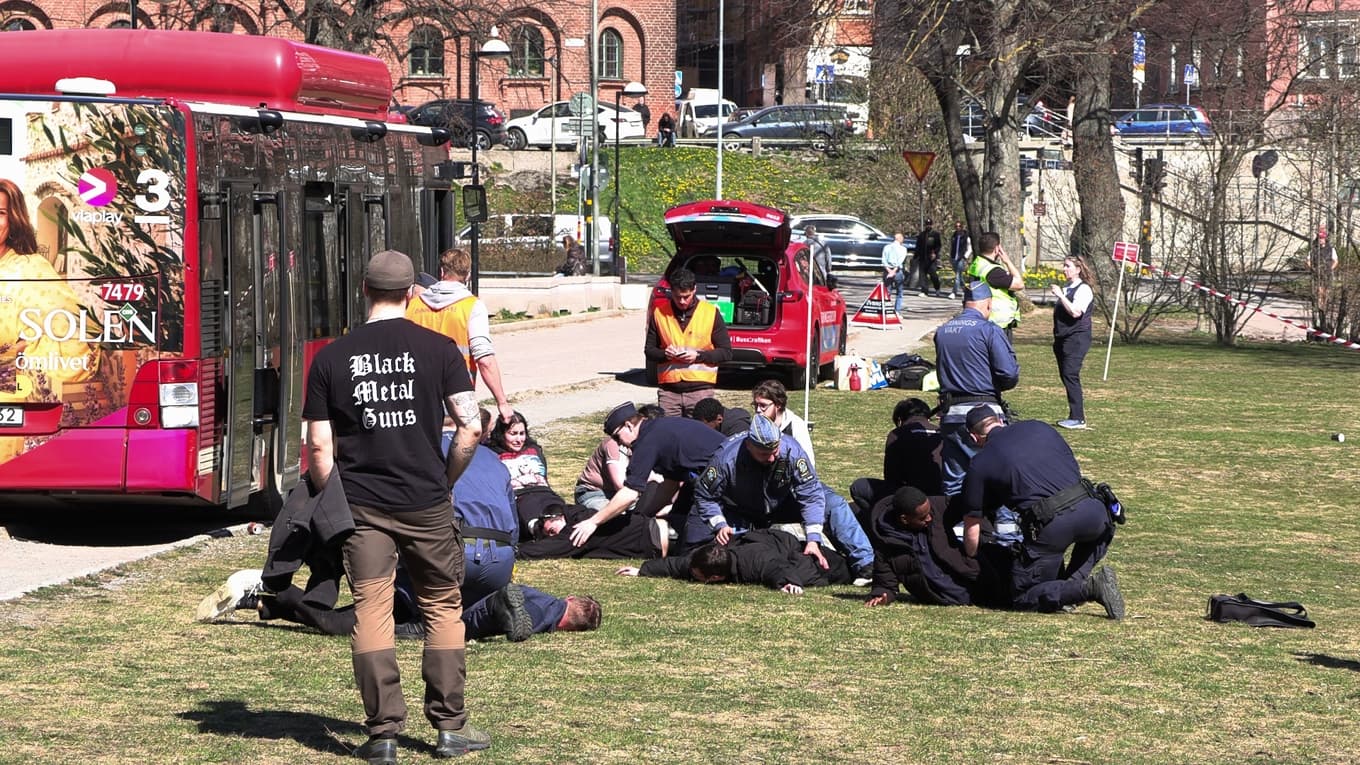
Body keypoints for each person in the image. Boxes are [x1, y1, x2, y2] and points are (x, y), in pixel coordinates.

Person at [301, 248, 489, 761]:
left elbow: (319, 448)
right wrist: (446, 479)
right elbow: (471, 426)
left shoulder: (331, 358)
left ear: (363, 290)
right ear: (412, 294)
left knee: (372, 609)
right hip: (427, 500)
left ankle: (383, 734)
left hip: (362, 506)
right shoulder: (442, 349)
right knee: (442, 605)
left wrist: (329, 497)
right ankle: (450, 728)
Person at [959, 408, 1125, 619]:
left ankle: (1089, 589)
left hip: (1052, 526)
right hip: (1095, 511)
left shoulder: (981, 462)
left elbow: (972, 526)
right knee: (1096, 537)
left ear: (974, 437)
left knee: (1023, 596)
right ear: (1001, 420)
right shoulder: (1040, 426)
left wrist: (970, 557)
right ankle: (1069, 592)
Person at [749, 380, 876, 577]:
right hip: (762, 491)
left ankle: (865, 562)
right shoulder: (754, 427)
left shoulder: (796, 427)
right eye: (755, 405)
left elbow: (808, 475)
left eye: (763, 406)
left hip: (794, 489)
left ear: (779, 405)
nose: (758, 410)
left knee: (835, 503)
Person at [567, 402, 727, 549]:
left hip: (725, 480)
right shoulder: (659, 429)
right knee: (677, 520)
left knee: (690, 545)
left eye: (617, 436)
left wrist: (593, 522)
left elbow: (629, 493)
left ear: (629, 425)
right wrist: (641, 518)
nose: (619, 443)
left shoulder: (646, 441)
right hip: (708, 478)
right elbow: (669, 485)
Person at [405, 247, 515, 425]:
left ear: (441, 272)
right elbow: (485, 359)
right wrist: (502, 402)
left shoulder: (413, 305)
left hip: (416, 391)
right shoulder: (472, 306)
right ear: (468, 275)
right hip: (456, 390)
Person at [933, 281, 1019, 501]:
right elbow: (1008, 373)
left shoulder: (943, 331)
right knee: (995, 476)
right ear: (988, 305)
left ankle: (955, 530)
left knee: (954, 481)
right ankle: (999, 534)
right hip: (985, 414)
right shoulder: (989, 330)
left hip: (951, 414)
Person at [863, 487, 1009, 608]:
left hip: (975, 584)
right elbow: (885, 582)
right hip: (941, 597)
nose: (929, 518)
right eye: (922, 517)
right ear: (904, 519)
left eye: (929, 512)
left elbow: (969, 502)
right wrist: (881, 595)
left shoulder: (937, 508)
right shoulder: (887, 543)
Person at [617, 528, 852, 595]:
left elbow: (777, 568)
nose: (693, 577)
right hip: (769, 541)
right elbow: (677, 565)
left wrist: (789, 584)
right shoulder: (705, 558)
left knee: (829, 570)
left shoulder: (753, 562)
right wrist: (642, 570)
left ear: (716, 578)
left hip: (791, 544)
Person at [645, 267, 733, 417]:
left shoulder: (710, 313)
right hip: (669, 393)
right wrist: (665, 354)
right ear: (671, 291)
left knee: (698, 437)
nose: (682, 301)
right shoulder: (659, 314)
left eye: (686, 296)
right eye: (677, 296)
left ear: (694, 290)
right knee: (669, 437)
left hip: (700, 391)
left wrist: (698, 356)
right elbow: (649, 351)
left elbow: (726, 353)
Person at [848, 397, 942, 518]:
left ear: (899, 419)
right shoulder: (942, 432)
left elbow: (891, 477)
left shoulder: (897, 434)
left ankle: (883, 520)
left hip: (913, 497)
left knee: (859, 486)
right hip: (941, 494)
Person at [1050, 256, 1095, 430]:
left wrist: (1061, 296)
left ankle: (1078, 418)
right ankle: (1073, 415)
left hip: (1077, 338)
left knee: (1070, 374)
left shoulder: (1083, 290)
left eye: (1068, 266)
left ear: (1078, 269)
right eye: (1064, 265)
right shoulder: (1068, 288)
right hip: (1062, 338)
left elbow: (1076, 312)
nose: (1064, 269)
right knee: (1065, 375)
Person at [574, 403, 635, 513]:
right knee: (617, 518)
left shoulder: (641, 442)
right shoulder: (613, 444)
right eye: (616, 435)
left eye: (617, 435)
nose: (618, 439)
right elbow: (620, 484)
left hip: (622, 493)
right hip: (594, 493)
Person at [965, 231, 1025, 340]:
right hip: (997, 324)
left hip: (982, 319)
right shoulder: (993, 271)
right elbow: (1020, 284)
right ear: (997, 248)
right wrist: (1007, 261)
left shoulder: (976, 264)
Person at [910, 219, 942, 297]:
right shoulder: (922, 235)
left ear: (932, 225)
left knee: (933, 275)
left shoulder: (935, 234)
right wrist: (915, 257)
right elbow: (918, 247)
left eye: (929, 224)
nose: (928, 226)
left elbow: (938, 246)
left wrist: (935, 253)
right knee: (922, 275)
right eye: (927, 224)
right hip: (922, 258)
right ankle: (924, 291)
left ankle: (937, 288)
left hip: (931, 259)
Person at [880, 230, 909, 315]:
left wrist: (889, 270)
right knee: (899, 292)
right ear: (899, 239)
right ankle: (897, 311)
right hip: (898, 272)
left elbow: (883, 260)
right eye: (902, 238)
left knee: (887, 292)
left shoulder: (886, 247)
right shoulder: (903, 249)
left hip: (887, 271)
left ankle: (886, 311)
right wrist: (894, 270)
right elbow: (900, 261)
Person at [1311, 225, 1339, 308]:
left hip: (1327, 272)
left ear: (1325, 239)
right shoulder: (1314, 249)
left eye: (1322, 238)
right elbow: (1308, 260)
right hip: (1318, 272)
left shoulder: (1331, 249)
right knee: (1319, 290)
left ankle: (1325, 305)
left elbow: (1336, 261)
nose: (1321, 240)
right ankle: (1320, 306)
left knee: (1326, 290)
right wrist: (1313, 268)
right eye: (1319, 238)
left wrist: (1330, 268)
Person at [948, 221, 972, 299]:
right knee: (959, 276)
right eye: (956, 226)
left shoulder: (966, 236)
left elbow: (969, 248)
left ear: (962, 227)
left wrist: (965, 257)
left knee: (957, 275)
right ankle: (965, 289)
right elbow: (952, 247)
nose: (957, 228)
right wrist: (950, 256)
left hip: (961, 258)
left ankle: (953, 292)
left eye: (959, 226)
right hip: (953, 258)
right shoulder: (954, 236)